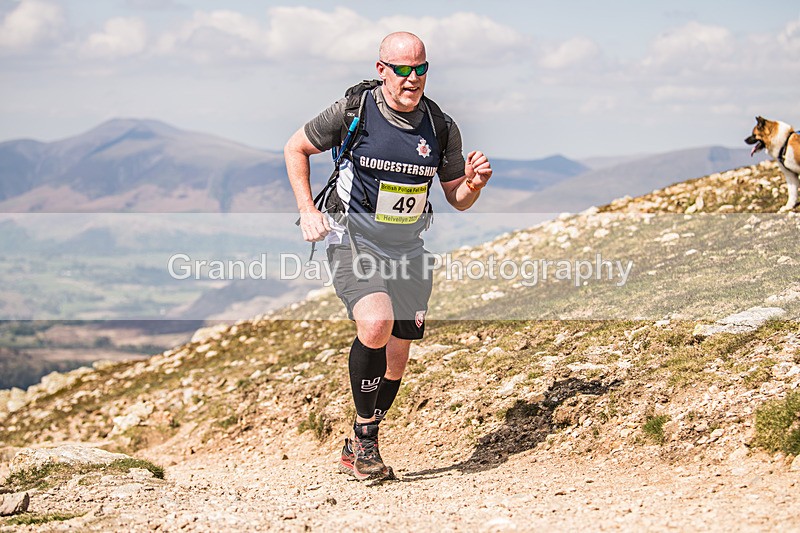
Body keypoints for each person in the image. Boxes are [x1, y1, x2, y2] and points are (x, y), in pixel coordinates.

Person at [284, 31, 492, 480]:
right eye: (402, 69)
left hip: (409, 250)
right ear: (382, 70)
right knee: (374, 324)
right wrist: (306, 210)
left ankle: (361, 437)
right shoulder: (354, 111)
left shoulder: (440, 126)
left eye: (421, 68)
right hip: (353, 239)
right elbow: (295, 147)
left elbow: (455, 196)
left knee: (397, 357)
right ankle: (365, 442)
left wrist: (472, 185)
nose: (412, 78)